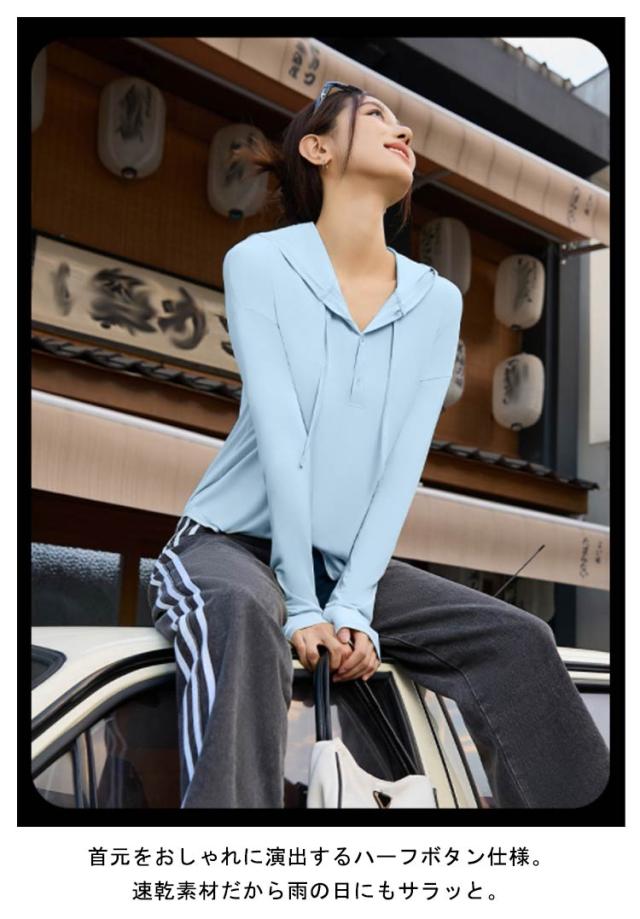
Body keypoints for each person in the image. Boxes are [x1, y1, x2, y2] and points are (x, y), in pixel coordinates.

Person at [148, 81, 609, 810]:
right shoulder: (261, 262)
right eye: (375, 116)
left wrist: (353, 604)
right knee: (245, 614)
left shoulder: (437, 300)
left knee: (519, 640)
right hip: (227, 543)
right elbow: (283, 436)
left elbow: (400, 468)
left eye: (402, 123)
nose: (404, 132)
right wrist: (304, 605)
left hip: (345, 566)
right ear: (317, 148)